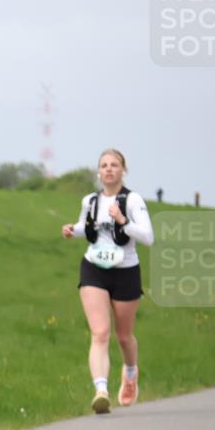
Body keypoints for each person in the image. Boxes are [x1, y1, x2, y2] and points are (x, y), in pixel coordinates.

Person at [60, 149, 154, 414]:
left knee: (123, 337)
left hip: (125, 271)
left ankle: (131, 373)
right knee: (100, 333)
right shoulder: (89, 200)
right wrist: (72, 230)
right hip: (94, 268)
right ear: (98, 171)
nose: (109, 169)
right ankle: (101, 391)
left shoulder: (132, 200)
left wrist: (123, 221)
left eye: (114, 165)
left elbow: (148, 237)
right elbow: (86, 227)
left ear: (123, 170)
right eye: (104, 165)